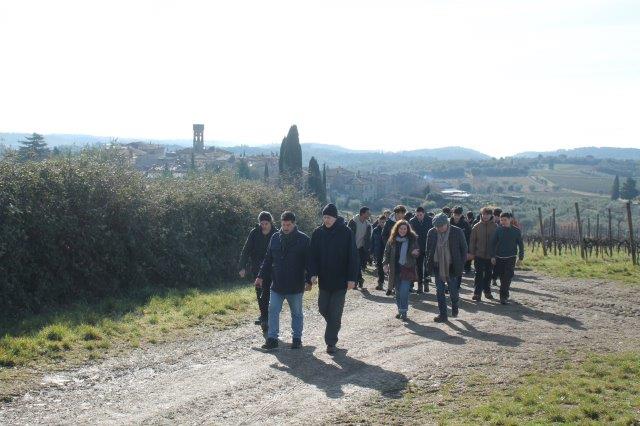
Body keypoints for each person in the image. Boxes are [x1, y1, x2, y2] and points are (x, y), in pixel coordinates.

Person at [256, 211, 311, 350]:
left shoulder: (304, 240)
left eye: (288, 225)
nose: (285, 227)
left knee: (296, 313)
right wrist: (260, 276)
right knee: (272, 310)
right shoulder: (275, 238)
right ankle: (272, 339)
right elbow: (268, 259)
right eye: (283, 224)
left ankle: (297, 339)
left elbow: (309, 262)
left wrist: (309, 280)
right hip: (277, 284)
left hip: (295, 285)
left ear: (294, 224)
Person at [309, 203, 359, 355]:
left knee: (335, 312)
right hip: (324, 280)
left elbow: (353, 256)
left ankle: (331, 343)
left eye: (329, 217)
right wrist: (312, 273)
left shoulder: (346, 232)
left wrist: (352, 278)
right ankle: (334, 324)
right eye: (324, 217)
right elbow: (312, 256)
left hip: (341, 281)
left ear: (335, 217)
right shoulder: (318, 233)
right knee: (323, 308)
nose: (326, 220)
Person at [425, 213, 468, 322]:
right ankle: (443, 315)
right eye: (437, 226)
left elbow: (464, 249)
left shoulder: (457, 231)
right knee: (439, 290)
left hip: (452, 266)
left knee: (453, 290)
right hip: (437, 265)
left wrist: (461, 264)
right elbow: (428, 249)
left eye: (441, 226)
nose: (439, 228)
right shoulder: (432, 232)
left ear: (447, 223)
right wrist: (428, 264)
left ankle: (455, 305)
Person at [238, 211, 277, 333]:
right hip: (257, 268)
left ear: (270, 222)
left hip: (272, 269)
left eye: (266, 223)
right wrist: (242, 267)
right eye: (262, 223)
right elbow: (246, 250)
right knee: (259, 292)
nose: (264, 226)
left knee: (268, 293)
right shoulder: (254, 233)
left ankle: (267, 317)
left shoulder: (276, 234)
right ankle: (263, 315)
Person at [382, 220, 420, 321]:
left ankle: (404, 312)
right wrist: (385, 264)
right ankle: (400, 310)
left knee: (404, 292)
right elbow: (386, 253)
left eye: (404, 229)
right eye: (401, 228)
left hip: (407, 269)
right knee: (398, 292)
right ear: (397, 229)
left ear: (408, 229)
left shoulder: (412, 239)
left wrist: (415, 253)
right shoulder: (392, 240)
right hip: (395, 269)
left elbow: (417, 252)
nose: (403, 230)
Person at [490, 212, 525, 305]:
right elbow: (493, 244)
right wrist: (492, 256)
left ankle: (503, 297)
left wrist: (520, 258)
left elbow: (521, 245)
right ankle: (504, 294)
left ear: (510, 220)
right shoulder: (498, 230)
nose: (503, 222)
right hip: (499, 257)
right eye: (501, 220)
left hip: (511, 257)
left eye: (505, 220)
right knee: (502, 277)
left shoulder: (516, 231)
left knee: (508, 276)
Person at [468, 207, 497, 301]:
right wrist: (472, 253)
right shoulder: (476, 226)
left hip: (490, 256)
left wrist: (495, 255)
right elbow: (472, 241)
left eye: (487, 214)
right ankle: (477, 293)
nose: (485, 216)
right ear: (481, 214)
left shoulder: (495, 227)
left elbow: (498, 242)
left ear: (491, 215)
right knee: (478, 274)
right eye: (484, 214)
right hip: (478, 255)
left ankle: (487, 292)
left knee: (488, 275)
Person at [382, 205, 407, 295]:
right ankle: (390, 287)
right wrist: (389, 244)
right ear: (396, 213)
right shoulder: (389, 222)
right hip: (391, 248)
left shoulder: (405, 223)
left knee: (400, 269)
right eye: (400, 213)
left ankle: (397, 287)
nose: (402, 215)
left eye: (403, 214)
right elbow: (384, 235)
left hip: (403, 248)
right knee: (391, 269)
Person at [409, 206, 433, 293]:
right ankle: (420, 286)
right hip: (417, 247)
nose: (419, 216)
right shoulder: (412, 221)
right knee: (419, 267)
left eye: (420, 215)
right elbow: (411, 235)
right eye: (417, 215)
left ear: (424, 213)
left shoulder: (430, 220)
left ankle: (426, 283)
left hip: (428, 246)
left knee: (427, 266)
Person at [348, 206, 372, 289]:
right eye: (368, 213)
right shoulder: (353, 222)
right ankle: (358, 280)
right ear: (362, 213)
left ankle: (358, 280)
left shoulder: (368, 225)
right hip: (352, 247)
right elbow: (348, 235)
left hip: (362, 248)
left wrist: (368, 249)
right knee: (356, 264)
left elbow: (368, 238)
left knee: (358, 265)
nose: (369, 214)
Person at [451, 206, 472, 276]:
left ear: (461, 215)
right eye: (455, 215)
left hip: (461, 248)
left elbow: (469, 238)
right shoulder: (448, 222)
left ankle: (458, 281)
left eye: (458, 215)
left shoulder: (465, 224)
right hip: (450, 247)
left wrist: (468, 251)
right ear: (452, 214)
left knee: (459, 267)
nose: (457, 217)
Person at [371, 215, 387, 290]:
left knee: (388, 268)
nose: (382, 223)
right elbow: (372, 241)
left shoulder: (388, 230)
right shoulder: (375, 230)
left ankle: (392, 285)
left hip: (386, 252)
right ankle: (380, 283)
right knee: (380, 268)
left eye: (383, 222)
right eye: (380, 222)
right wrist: (371, 251)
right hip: (378, 251)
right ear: (378, 222)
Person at [491, 208, 503, 287]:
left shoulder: (502, 224)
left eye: (498, 216)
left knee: (496, 264)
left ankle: (494, 279)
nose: (497, 217)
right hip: (492, 246)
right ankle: (492, 278)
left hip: (498, 247)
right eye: (496, 216)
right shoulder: (490, 223)